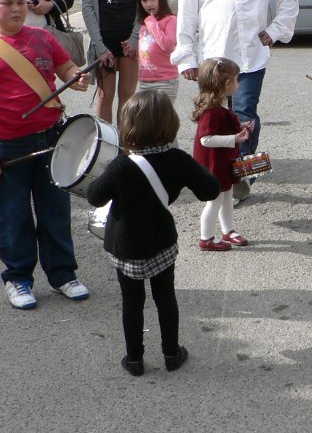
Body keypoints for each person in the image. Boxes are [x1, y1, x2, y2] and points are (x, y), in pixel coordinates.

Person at [0, 0, 91, 309]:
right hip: (7, 147)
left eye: (21, 2)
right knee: (14, 217)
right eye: (7, 3)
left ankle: (63, 275)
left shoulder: (43, 38)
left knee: (55, 212)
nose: (16, 9)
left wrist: (77, 77)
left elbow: (66, 71)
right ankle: (18, 279)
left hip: (51, 139)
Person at [86, 90, 220, 377]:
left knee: (132, 302)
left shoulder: (121, 165)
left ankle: (134, 360)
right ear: (169, 123)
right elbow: (209, 189)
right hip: (160, 241)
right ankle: (172, 353)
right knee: (165, 297)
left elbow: (94, 197)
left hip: (126, 245)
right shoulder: (178, 159)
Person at [172, 0, 300, 198]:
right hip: (212, 61)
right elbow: (187, 13)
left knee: (244, 116)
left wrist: (275, 30)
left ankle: (241, 177)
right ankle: (218, 177)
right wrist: (186, 56)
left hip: (250, 59)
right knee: (214, 121)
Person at [192, 57, 252, 252]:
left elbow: (221, 129)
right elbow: (205, 139)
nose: (238, 83)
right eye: (236, 80)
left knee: (227, 195)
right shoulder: (212, 111)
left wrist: (240, 127)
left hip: (221, 162)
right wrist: (234, 139)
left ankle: (228, 231)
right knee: (215, 201)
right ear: (227, 84)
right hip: (213, 165)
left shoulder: (218, 107)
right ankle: (206, 237)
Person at [135, 0, 179, 101]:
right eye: (144, 0)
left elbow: (169, 46)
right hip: (145, 80)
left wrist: (153, 25)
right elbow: (145, 52)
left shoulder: (170, 20)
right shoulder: (144, 24)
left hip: (165, 80)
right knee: (147, 119)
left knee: (162, 118)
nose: (149, 4)